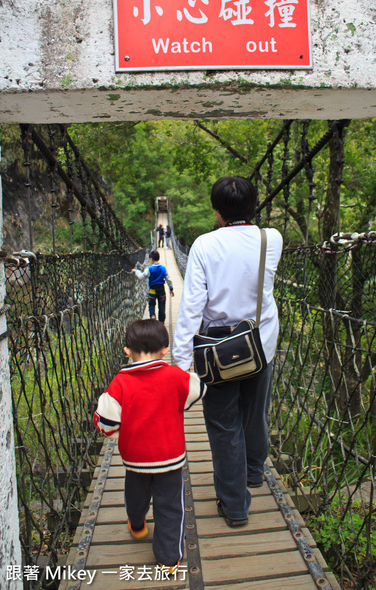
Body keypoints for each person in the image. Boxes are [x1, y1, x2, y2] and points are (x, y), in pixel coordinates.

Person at [172, 176, 282, 527]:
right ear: (253, 207)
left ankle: (235, 506)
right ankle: (253, 473)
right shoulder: (272, 238)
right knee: (255, 414)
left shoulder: (204, 245)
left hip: (217, 352)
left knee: (224, 425)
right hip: (260, 344)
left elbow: (191, 305)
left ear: (216, 212)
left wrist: (179, 363)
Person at [93, 319, 206, 570]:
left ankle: (137, 524)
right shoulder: (176, 376)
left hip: (135, 458)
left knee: (135, 494)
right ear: (165, 349)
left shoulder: (120, 382)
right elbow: (198, 388)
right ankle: (168, 559)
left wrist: (119, 433)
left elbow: (106, 422)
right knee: (170, 505)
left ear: (127, 351)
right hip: (170, 456)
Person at [132, 251, 174, 323]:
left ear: (151, 259)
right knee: (162, 306)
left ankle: (152, 316)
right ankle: (161, 322)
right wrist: (171, 289)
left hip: (152, 289)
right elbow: (168, 279)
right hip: (161, 289)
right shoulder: (163, 268)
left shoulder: (149, 269)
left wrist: (136, 271)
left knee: (151, 304)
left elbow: (141, 276)